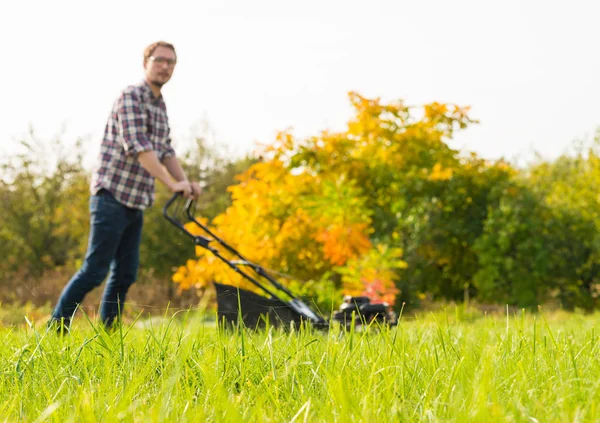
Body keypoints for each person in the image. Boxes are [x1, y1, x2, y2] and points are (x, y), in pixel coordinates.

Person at [49, 41, 200, 331]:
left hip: (136, 200)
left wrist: (185, 183)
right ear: (146, 62)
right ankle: (56, 328)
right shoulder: (131, 97)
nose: (165, 66)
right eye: (160, 60)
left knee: (126, 274)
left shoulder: (160, 105)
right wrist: (171, 184)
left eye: (171, 62)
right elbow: (139, 147)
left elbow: (165, 149)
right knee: (95, 271)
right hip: (111, 195)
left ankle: (109, 333)